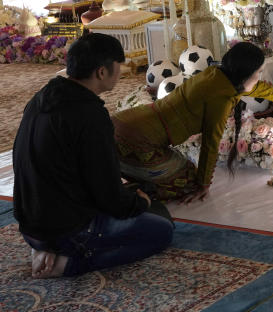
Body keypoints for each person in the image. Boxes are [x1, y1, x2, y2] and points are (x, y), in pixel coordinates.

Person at [13, 32, 173, 279]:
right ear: (101, 72)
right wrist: (139, 203)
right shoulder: (88, 115)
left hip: (32, 226)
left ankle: (47, 248)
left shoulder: (42, 98)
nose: (120, 72)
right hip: (68, 227)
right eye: (117, 66)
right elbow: (105, 189)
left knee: (144, 205)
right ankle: (68, 264)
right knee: (162, 228)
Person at [112, 42, 273, 203]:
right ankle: (132, 195)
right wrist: (203, 185)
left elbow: (257, 88)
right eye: (258, 73)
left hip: (121, 123)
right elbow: (211, 142)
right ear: (244, 75)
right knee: (186, 182)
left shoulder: (218, 75)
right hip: (135, 139)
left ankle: (122, 175)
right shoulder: (220, 98)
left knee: (173, 168)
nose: (259, 77)